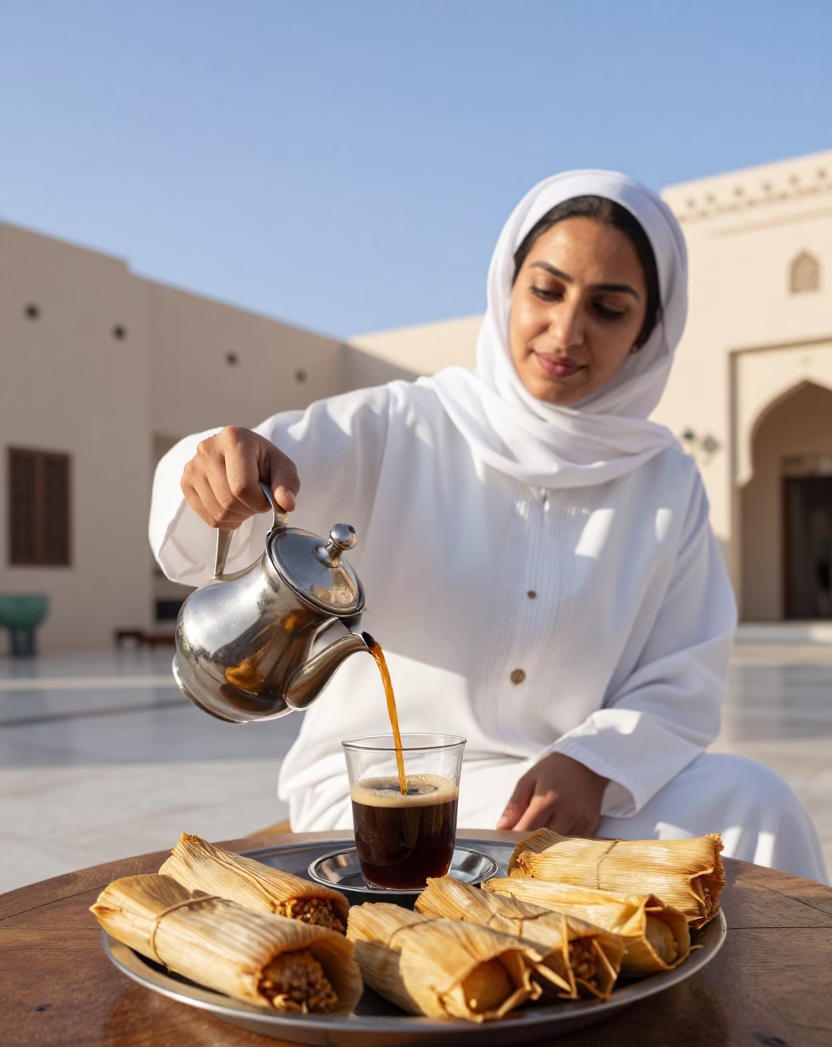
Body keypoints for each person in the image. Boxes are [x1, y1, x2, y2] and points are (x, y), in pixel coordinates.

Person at [149, 169, 828, 883]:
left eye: (608, 308)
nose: (566, 331)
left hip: (565, 790)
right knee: (518, 867)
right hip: (385, 786)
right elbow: (233, 482)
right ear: (508, 286)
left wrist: (596, 763)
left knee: (757, 802)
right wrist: (213, 470)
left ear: (646, 335)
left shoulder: (665, 480)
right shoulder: (396, 426)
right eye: (546, 290)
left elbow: (684, 670)